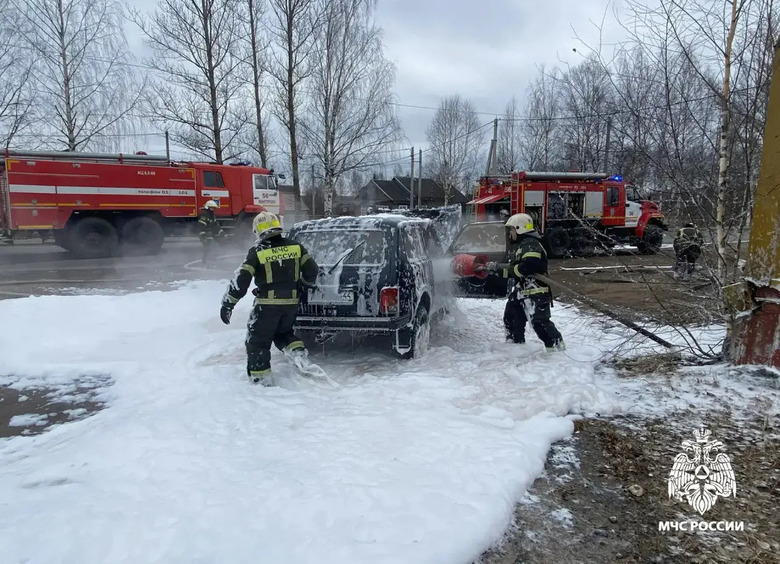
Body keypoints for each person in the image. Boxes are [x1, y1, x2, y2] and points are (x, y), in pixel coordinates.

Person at [220, 211, 319, 385]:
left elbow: (242, 279)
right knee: (283, 334)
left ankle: (261, 379)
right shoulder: (296, 247)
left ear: (258, 231)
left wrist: (228, 304)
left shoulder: (258, 252)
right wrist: (303, 284)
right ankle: (298, 354)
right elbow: (312, 270)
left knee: (258, 341)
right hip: (291, 304)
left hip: (267, 306)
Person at [487, 213, 565, 352]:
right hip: (522, 291)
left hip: (536, 291)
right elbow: (514, 267)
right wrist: (497, 268)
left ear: (519, 229)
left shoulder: (531, 244)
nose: (510, 233)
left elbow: (528, 266)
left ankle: (556, 349)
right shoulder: (521, 246)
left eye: (512, 230)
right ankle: (516, 347)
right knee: (511, 317)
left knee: (539, 323)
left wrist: (509, 269)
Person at [198, 200, 222, 268]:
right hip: (205, 234)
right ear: (207, 207)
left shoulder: (212, 215)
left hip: (210, 233)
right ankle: (205, 263)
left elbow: (215, 224)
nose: (213, 209)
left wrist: (220, 231)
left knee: (212, 247)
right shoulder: (204, 214)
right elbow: (201, 226)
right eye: (212, 208)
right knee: (207, 248)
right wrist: (203, 236)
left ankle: (209, 262)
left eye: (214, 208)